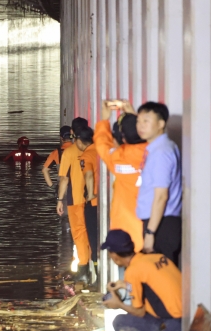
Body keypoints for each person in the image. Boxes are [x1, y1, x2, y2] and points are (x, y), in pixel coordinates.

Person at [102, 229, 182, 331]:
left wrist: (118, 304)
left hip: (172, 324)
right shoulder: (157, 257)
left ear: (114, 256)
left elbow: (140, 312)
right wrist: (125, 285)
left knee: (120, 321)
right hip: (189, 315)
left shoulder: (132, 271)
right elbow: (156, 286)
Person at [94, 101, 147, 252]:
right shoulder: (155, 151)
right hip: (154, 230)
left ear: (123, 138)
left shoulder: (119, 157)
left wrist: (104, 120)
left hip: (126, 232)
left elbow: (102, 144)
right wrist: (133, 116)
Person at [136, 102, 182, 266]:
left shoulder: (161, 152)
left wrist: (150, 233)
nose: (140, 126)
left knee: (161, 281)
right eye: (139, 121)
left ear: (161, 124)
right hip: (159, 222)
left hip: (161, 224)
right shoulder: (157, 148)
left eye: (146, 121)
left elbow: (161, 196)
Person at [57, 117, 91, 282]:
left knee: (79, 234)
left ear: (72, 133)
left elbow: (64, 179)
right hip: (91, 198)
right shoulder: (93, 149)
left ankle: (83, 268)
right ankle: (91, 265)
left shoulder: (69, 152)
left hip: (75, 198)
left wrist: (59, 200)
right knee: (90, 232)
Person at [75, 126, 98, 269]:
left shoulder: (86, 156)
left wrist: (90, 194)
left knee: (93, 236)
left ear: (79, 140)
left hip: (94, 202)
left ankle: (95, 266)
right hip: (108, 201)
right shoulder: (102, 150)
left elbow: (88, 175)